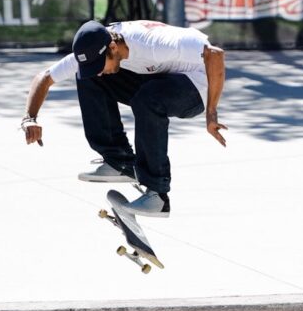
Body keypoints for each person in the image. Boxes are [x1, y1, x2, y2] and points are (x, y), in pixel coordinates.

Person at [22, 19, 226, 218]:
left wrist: (211, 113)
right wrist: (30, 118)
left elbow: (215, 54)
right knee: (88, 77)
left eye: (101, 65)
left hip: (197, 86)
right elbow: (45, 77)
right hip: (159, 78)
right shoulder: (97, 45)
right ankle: (120, 162)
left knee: (148, 98)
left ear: (112, 47)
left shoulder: (155, 43)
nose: (100, 72)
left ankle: (158, 196)